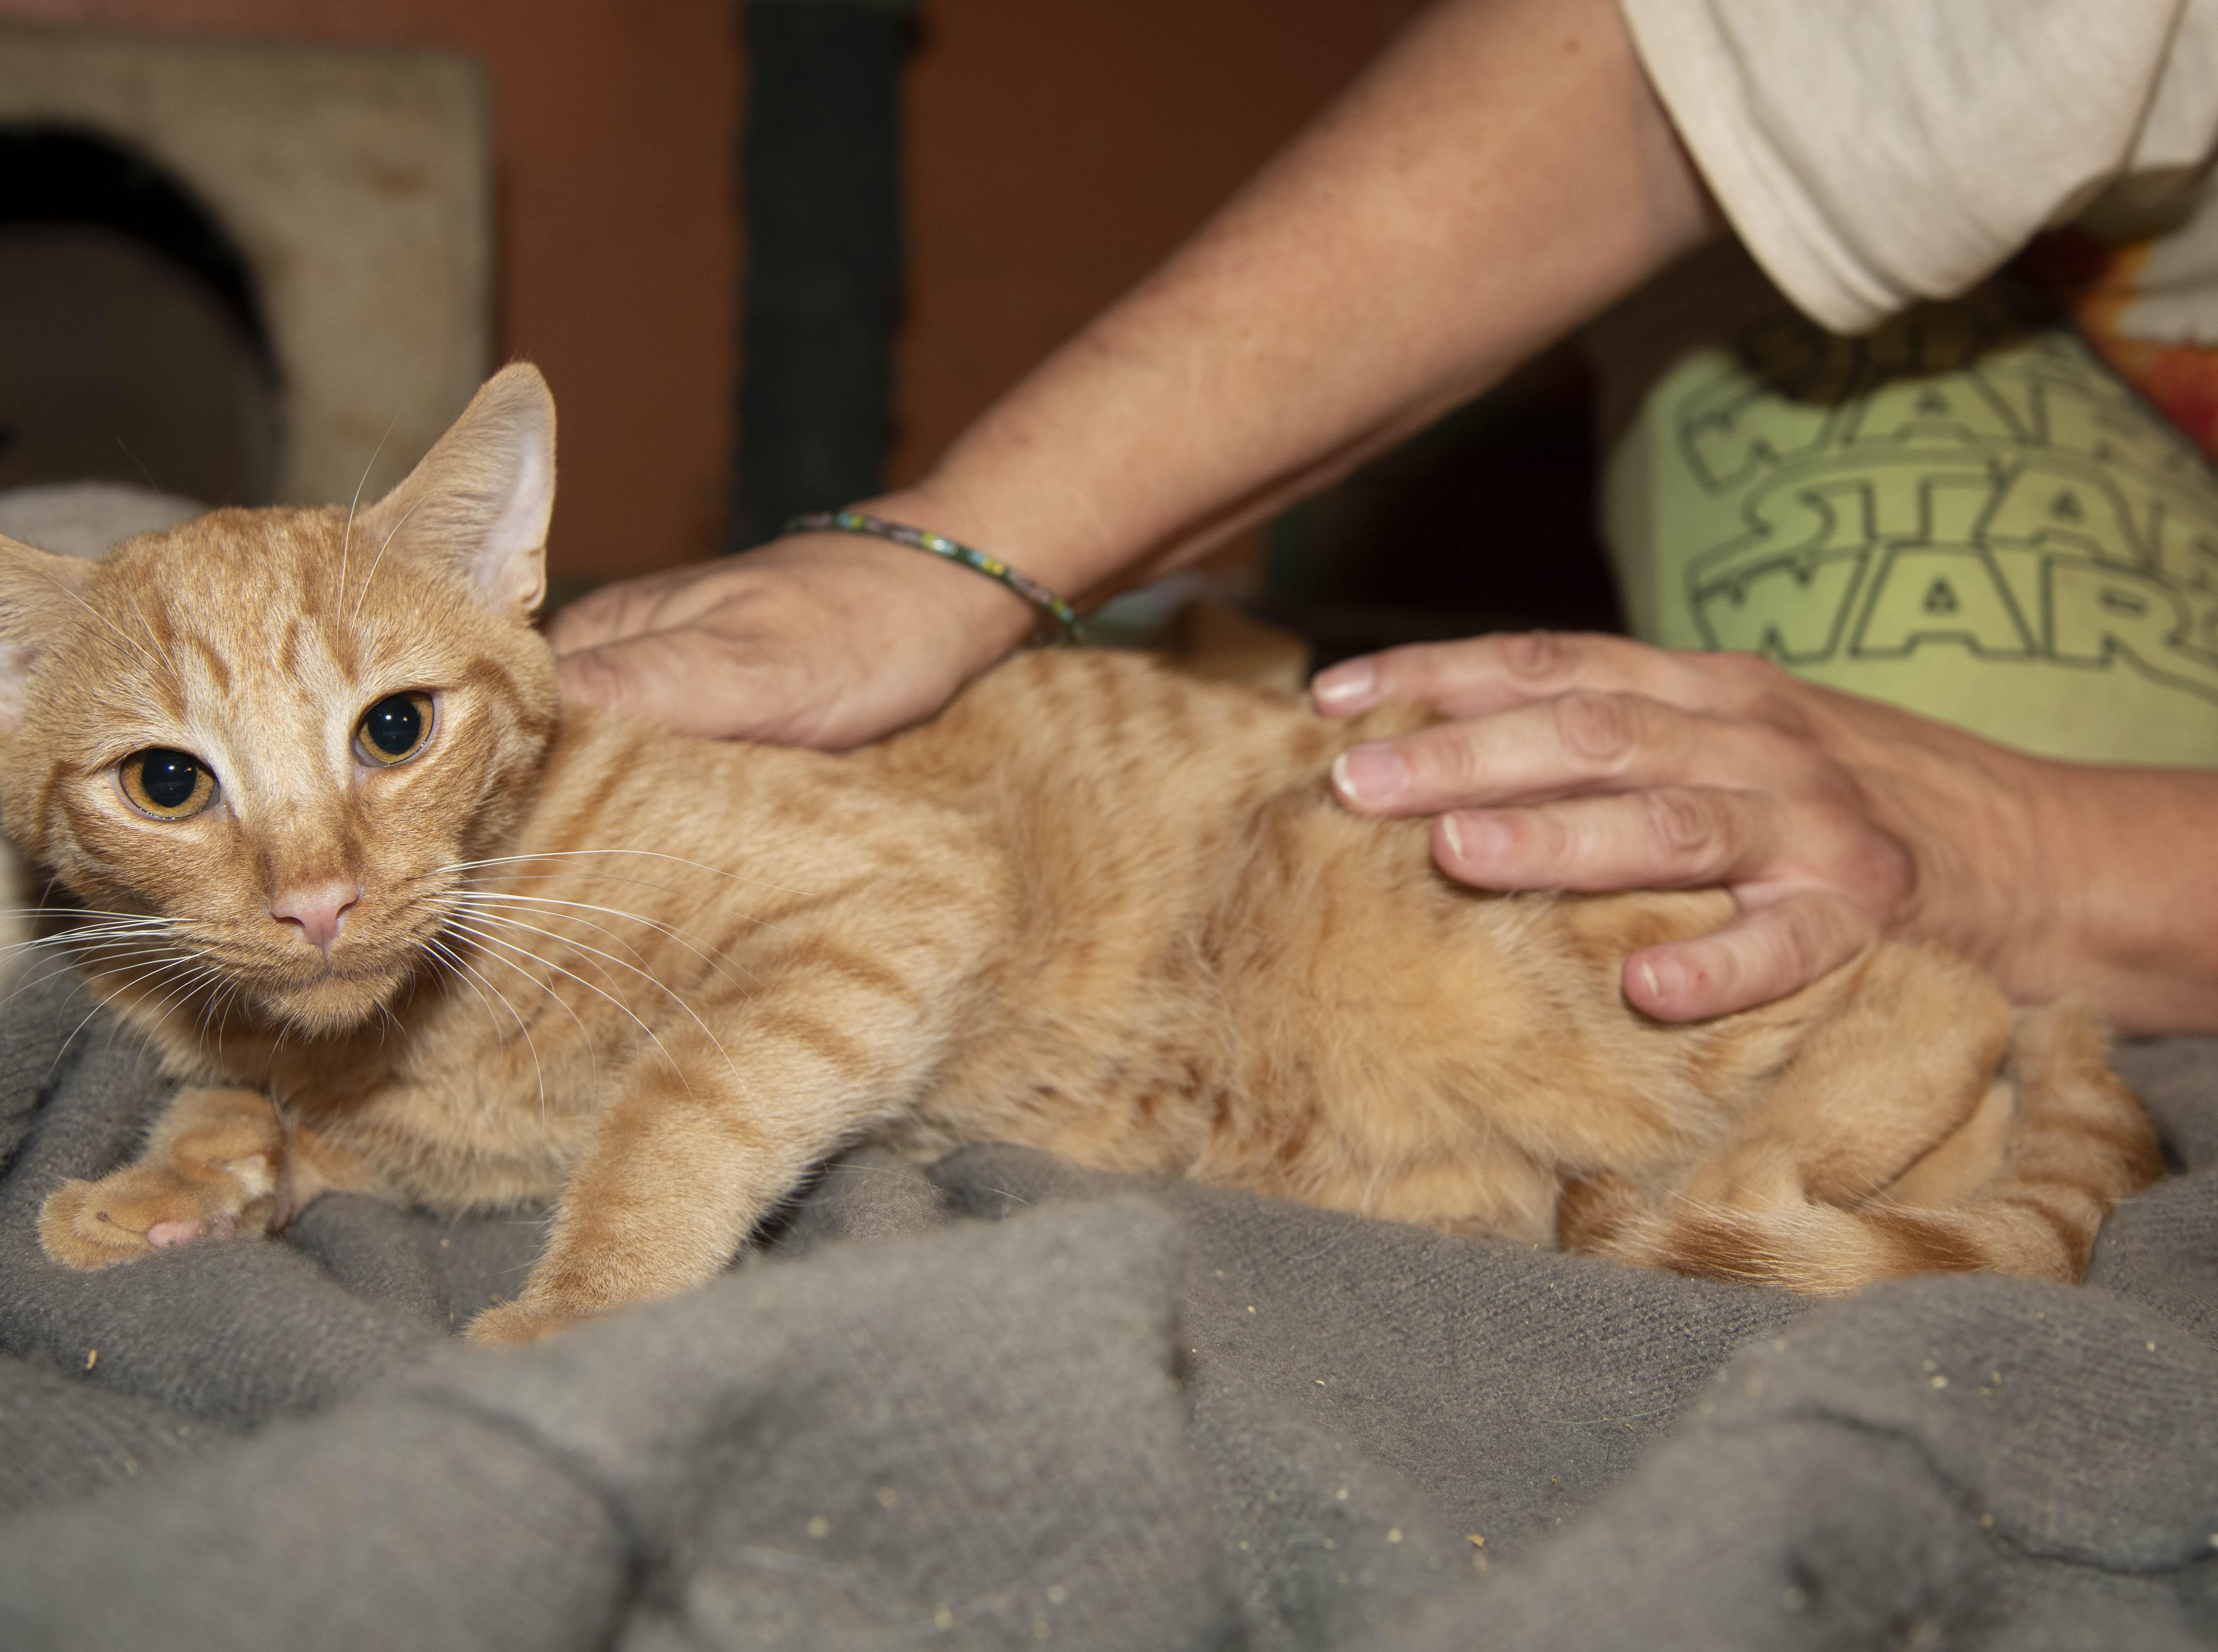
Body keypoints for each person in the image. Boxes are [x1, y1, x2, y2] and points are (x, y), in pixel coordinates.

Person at [545, 0, 2218, 1034]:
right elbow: (1684, 81)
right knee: (1771, 864)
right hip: (2072, 327)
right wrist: (945, 552)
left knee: (1888, 958)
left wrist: (2023, 854)